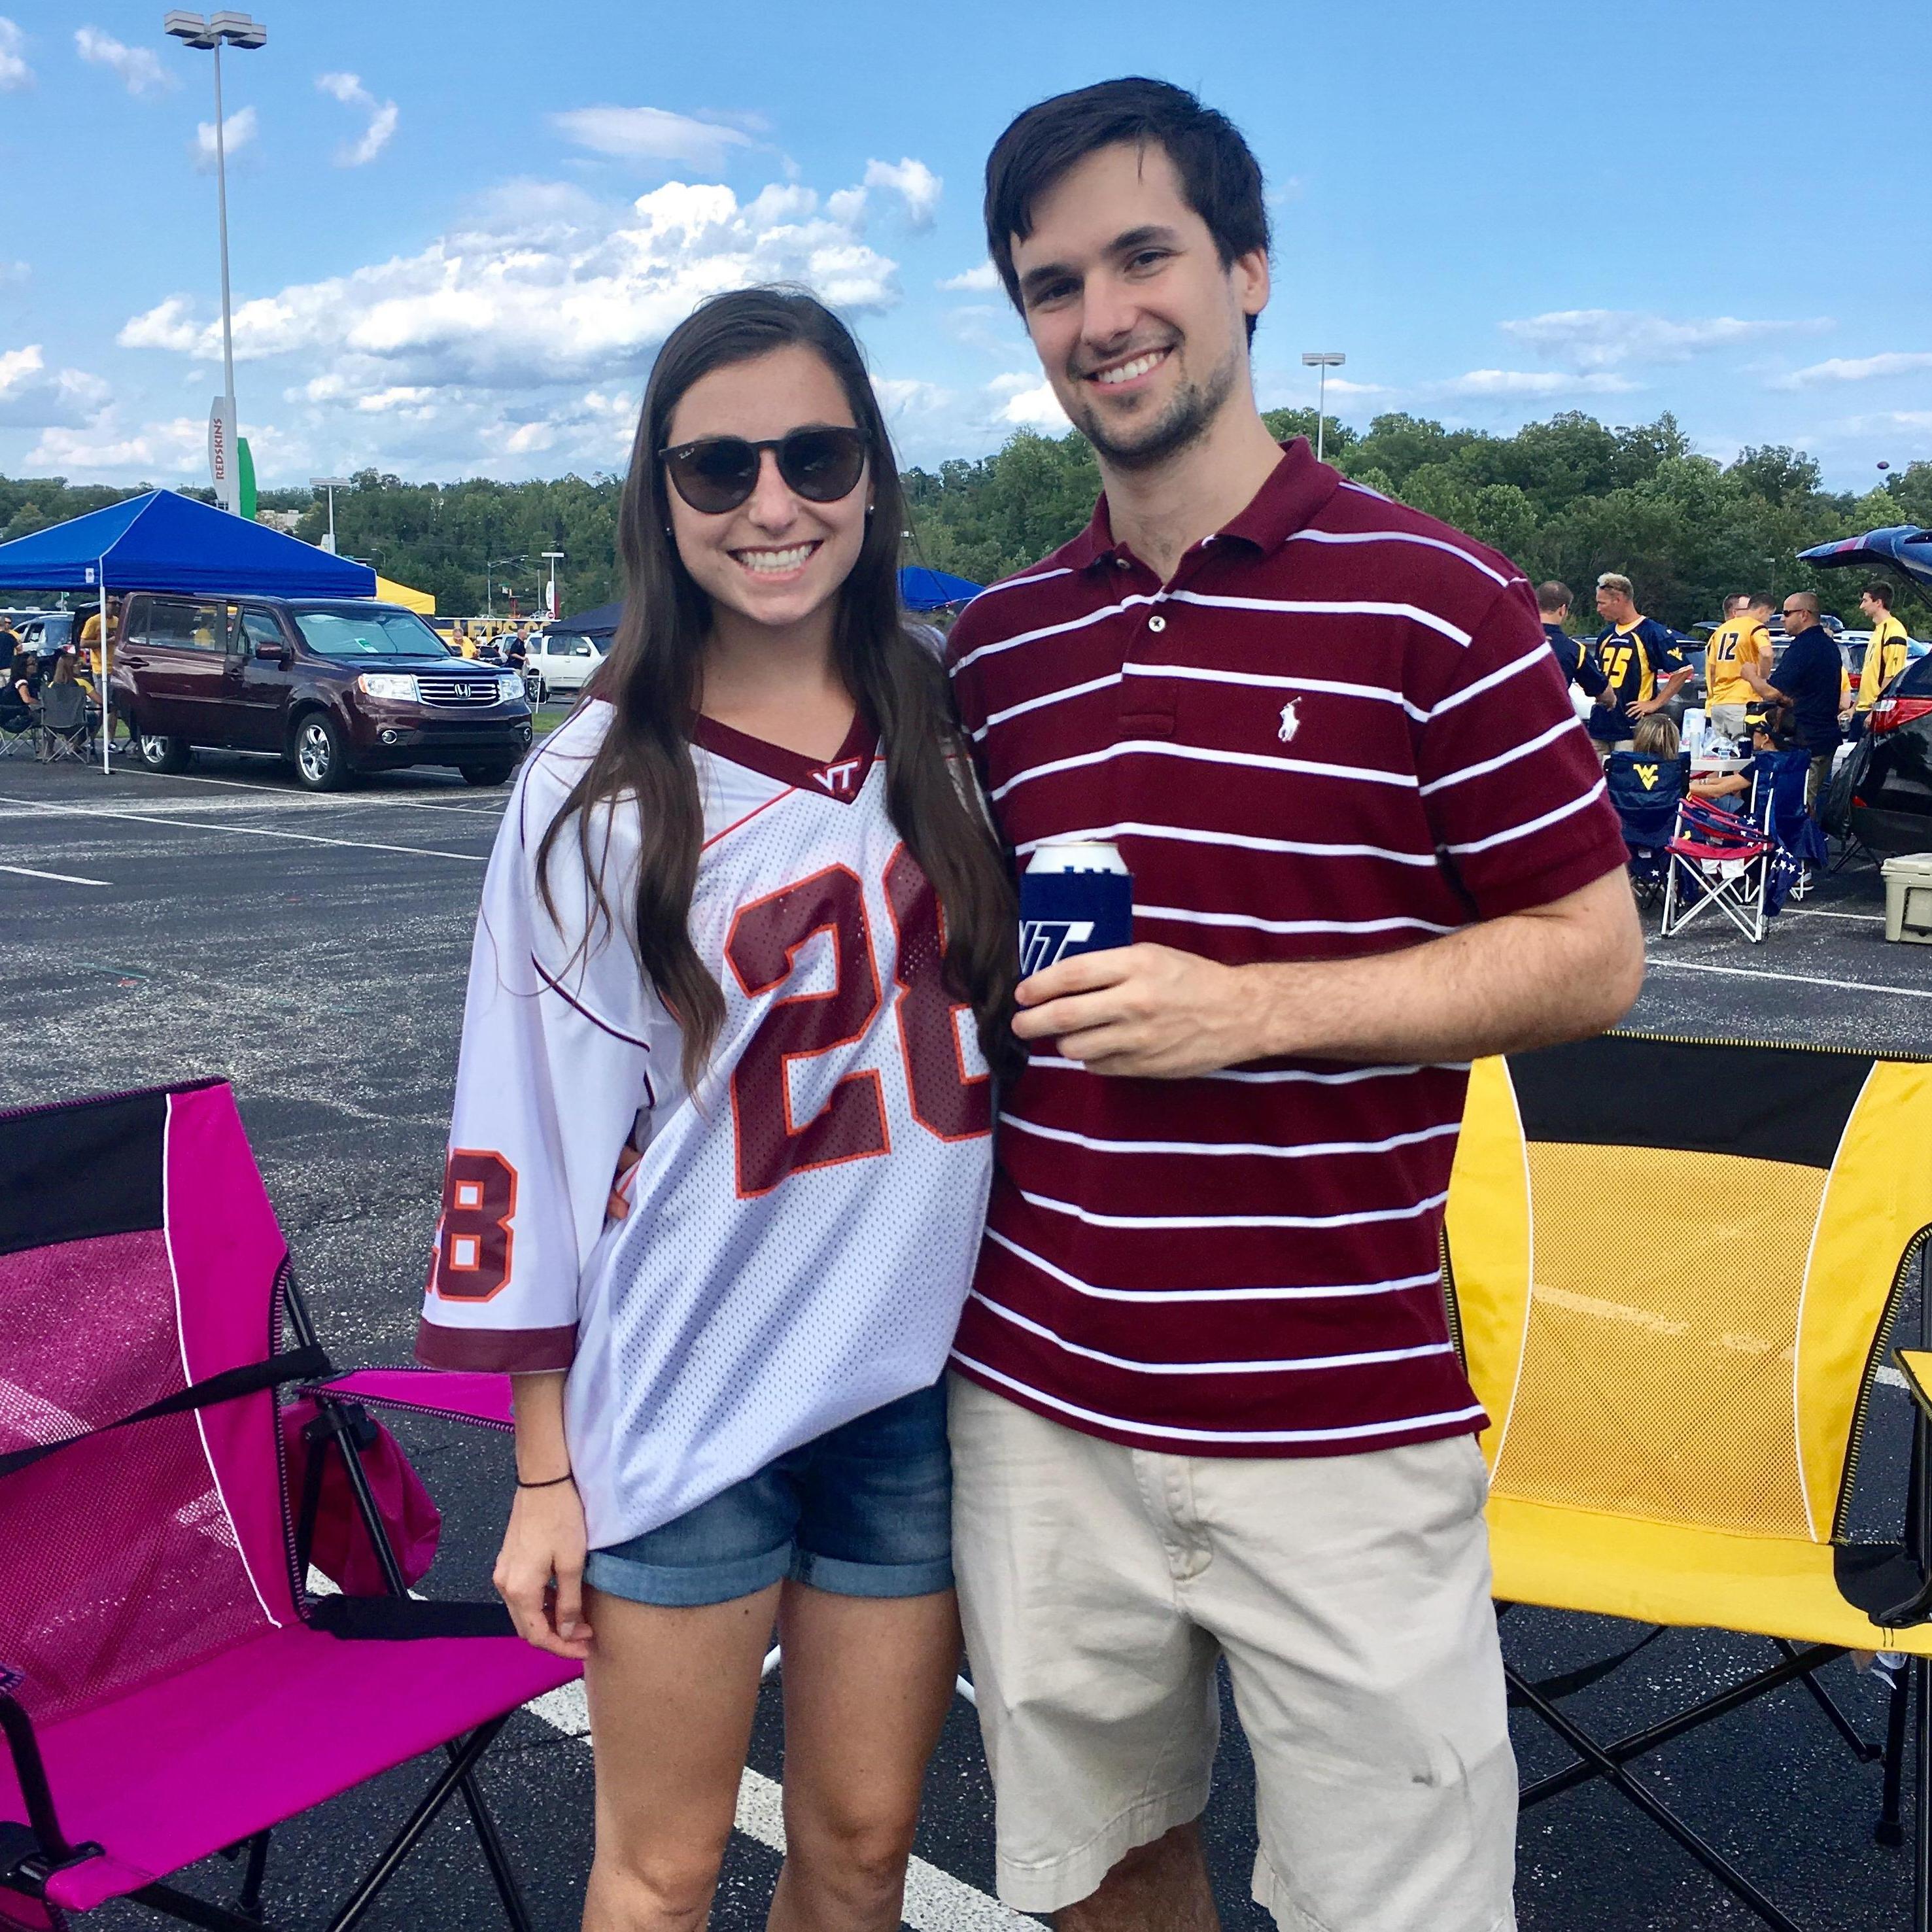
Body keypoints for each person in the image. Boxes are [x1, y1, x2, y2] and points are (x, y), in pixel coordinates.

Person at [946, 77, 1644, 1932]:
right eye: (1049, 282)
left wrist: (1247, 1010)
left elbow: (1589, 951)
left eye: (1143, 254)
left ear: (1250, 269)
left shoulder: (1437, 596)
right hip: (1036, 1397)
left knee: (1394, 1910)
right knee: (1103, 1881)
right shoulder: (1001, 645)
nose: (1100, 316)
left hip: (1338, 1410)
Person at [415, 286, 1020, 1932]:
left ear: (875, 476)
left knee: (859, 1858)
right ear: (658, 497)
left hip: (906, 1401)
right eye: (719, 468)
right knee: (664, 1870)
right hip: (685, 1406)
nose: (773, 504)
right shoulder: (591, 786)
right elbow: (522, 1138)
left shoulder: (960, 736)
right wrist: (543, 1474)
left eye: (815, 455)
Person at [1755, 591, 1844, 813]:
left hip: (1806, 741)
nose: (1782, 618)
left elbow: (1771, 692)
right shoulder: (1828, 645)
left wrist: (1750, 675)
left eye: (1787, 613)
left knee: (1800, 808)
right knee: (1815, 803)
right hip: (1825, 737)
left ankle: (1801, 847)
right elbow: (1810, 691)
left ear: (1804, 614)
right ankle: (1816, 842)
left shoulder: (1803, 647)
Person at [1589, 572, 1691, 755]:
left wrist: (1655, 703)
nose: (1598, 609)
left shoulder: (1652, 633)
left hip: (1631, 726)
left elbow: (1683, 670)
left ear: (1618, 600)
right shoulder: (1606, 635)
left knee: (1625, 780)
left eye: (1602, 603)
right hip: (1601, 724)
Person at [1703, 591, 1774, 741]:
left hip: (1719, 703)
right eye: (1769, 615)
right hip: (1743, 701)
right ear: (1762, 610)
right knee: (1742, 756)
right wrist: (1762, 678)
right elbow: (1767, 654)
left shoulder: (1721, 630)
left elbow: (1712, 670)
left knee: (1720, 756)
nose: (1767, 620)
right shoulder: (1756, 627)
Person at [1537, 580, 1607, 702]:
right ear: (1562, 610)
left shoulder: (1512, 640)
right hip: (1552, 718)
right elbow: (1602, 691)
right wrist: (1611, 701)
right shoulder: (1575, 651)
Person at [1855, 581, 1911, 725]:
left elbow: (1892, 676)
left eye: (1865, 601)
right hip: (1864, 710)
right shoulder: (1879, 630)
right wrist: (1854, 708)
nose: (1862, 606)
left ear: (1878, 602)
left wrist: (1876, 712)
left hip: (1873, 712)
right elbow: (1870, 675)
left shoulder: (1894, 631)